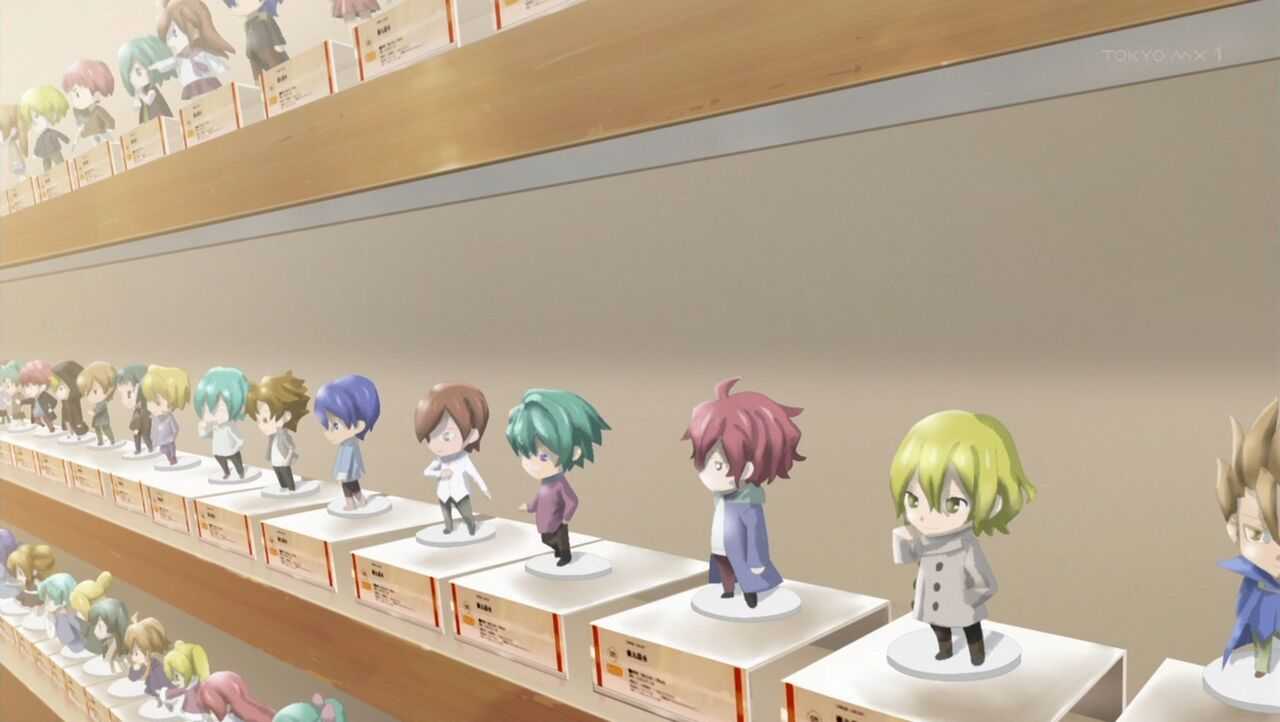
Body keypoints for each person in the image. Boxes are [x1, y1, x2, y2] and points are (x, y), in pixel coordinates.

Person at [889, 410, 1036, 666]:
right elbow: (908, 558)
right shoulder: (925, 540)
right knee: (937, 625)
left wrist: (972, 598)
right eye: (913, 499)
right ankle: (945, 649)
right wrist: (900, 540)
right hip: (931, 600)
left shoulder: (965, 545)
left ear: (993, 503)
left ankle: (976, 654)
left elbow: (986, 581)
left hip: (960, 601)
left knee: (970, 627)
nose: (926, 515)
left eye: (952, 504)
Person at [683, 378, 802, 608]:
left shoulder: (748, 503)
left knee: (746, 576)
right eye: (702, 462)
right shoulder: (721, 497)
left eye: (718, 465)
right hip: (720, 548)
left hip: (739, 554)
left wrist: (757, 560)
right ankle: (728, 592)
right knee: (724, 568)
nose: (705, 474)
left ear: (748, 468)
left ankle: (750, 595)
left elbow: (756, 532)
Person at [507, 389, 608, 566]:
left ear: (574, 452)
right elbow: (539, 499)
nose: (531, 464)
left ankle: (565, 555)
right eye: (526, 455)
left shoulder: (560, 483)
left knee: (561, 540)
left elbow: (572, 500)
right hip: (545, 519)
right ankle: (558, 550)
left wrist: (566, 518)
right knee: (545, 538)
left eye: (543, 456)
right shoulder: (545, 483)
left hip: (558, 521)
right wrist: (529, 507)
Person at [415, 383, 491, 535]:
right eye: (430, 437)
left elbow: (474, 474)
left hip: (460, 492)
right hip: (443, 491)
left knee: (466, 512)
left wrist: (484, 488)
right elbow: (426, 472)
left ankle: (471, 526)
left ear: (472, 435)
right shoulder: (439, 460)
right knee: (445, 511)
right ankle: (448, 527)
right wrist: (440, 474)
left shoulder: (463, 459)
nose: (437, 445)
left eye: (447, 436)